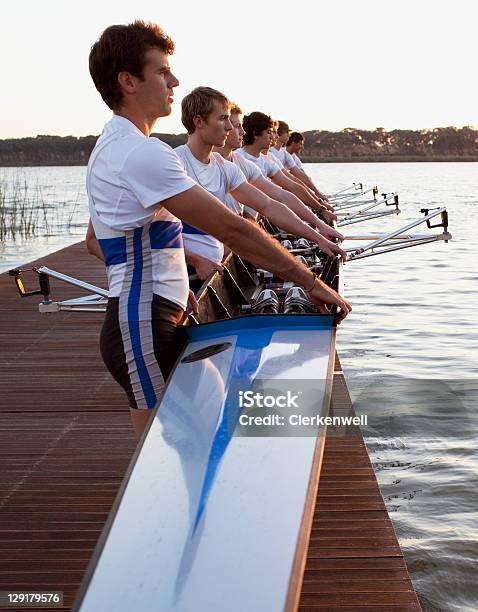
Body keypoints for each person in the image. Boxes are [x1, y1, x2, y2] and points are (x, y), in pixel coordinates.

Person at [86, 21, 352, 439]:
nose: (174, 81)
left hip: (153, 314)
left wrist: (175, 282)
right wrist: (309, 280)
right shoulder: (140, 153)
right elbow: (232, 229)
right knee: (165, 463)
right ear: (128, 81)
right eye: (162, 71)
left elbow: (104, 239)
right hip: (141, 324)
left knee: (192, 446)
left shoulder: (115, 147)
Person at [175, 87, 347, 280]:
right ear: (199, 122)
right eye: (223, 119)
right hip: (186, 275)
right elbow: (155, 230)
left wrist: (318, 235)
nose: (231, 128)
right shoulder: (176, 163)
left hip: (215, 268)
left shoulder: (225, 168)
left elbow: (270, 205)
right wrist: (195, 260)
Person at [213, 104, 344, 242]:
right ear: (256, 134)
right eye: (269, 132)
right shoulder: (237, 159)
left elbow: (286, 191)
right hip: (238, 234)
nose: (242, 132)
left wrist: (320, 215)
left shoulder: (242, 162)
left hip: (244, 231)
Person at [236, 112, 336, 222]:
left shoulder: (267, 160)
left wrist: (320, 208)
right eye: (269, 132)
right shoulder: (239, 158)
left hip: (260, 215)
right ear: (255, 134)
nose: (273, 136)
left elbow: (292, 186)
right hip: (242, 219)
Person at [284, 131, 330, 201]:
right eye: (300, 144)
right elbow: (298, 176)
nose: (302, 147)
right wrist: (315, 193)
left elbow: (303, 176)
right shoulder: (282, 153)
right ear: (293, 143)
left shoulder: (295, 159)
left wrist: (316, 192)